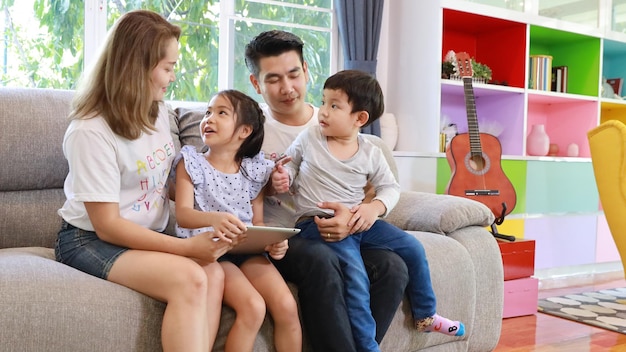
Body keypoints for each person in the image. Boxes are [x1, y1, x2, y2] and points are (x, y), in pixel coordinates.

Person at [54, 10, 235, 352]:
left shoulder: (157, 112)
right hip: (90, 239)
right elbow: (107, 226)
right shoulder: (90, 131)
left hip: (143, 235)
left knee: (213, 273)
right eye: (167, 67)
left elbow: (156, 182)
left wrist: (212, 217)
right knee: (192, 276)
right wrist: (185, 248)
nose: (172, 76)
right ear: (136, 67)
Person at [272, 69, 465, 351]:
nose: (323, 111)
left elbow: (390, 187)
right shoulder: (310, 138)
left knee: (412, 248)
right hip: (318, 224)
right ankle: (367, 346)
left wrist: (373, 208)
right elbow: (289, 164)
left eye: (334, 105)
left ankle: (425, 314)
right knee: (356, 277)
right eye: (323, 102)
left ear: (359, 118)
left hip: (360, 221)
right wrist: (283, 176)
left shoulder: (371, 151)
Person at [244, 30, 410, 351]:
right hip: (286, 239)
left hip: (344, 234)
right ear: (256, 83)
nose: (287, 87)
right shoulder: (250, 132)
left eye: (294, 74)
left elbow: (372, 188)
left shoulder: (337, 122)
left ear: (306, 70)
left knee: (393, 266)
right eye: (274, 79)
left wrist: (353, 216)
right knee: (321, 259)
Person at [172, 89, 302, 352]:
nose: (209, 118)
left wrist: (275, 243)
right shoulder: (191, 163)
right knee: (253, 307)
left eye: (221, 113)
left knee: (287, 306)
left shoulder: (253, 170)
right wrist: (215, 219)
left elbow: (258, 222)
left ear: (244, 131)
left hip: (247, 250)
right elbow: (184, 215)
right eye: (208, 112)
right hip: (213, 252)